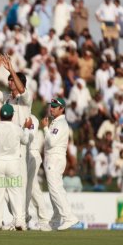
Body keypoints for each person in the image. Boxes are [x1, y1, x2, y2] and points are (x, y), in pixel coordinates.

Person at [0, 104, 32, 231]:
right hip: (13, 163)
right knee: (15, 192)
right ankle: (19, 220)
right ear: (12, 116)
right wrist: (27, 128)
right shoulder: (17, 129)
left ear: (0, 115)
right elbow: (25, 141)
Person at [41, 97, 79, 230]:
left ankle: (68, 217)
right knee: (56, 189)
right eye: (51, 105)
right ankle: (55, 220)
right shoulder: (56, 122)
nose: (51, 108)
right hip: (53, 159)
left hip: (55, 159)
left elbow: (51, 142)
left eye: (54, 106)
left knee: (55, 189)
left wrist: (45, 128)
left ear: (62, 109)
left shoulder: (60, 124)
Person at [25, 114, 51, 231]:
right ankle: (23, 217)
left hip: (32, 154)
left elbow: (28, 138)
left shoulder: (32, 119)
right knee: (27, 187)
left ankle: (43, 219)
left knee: (32, 187)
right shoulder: (19, 115)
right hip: (23, 155)